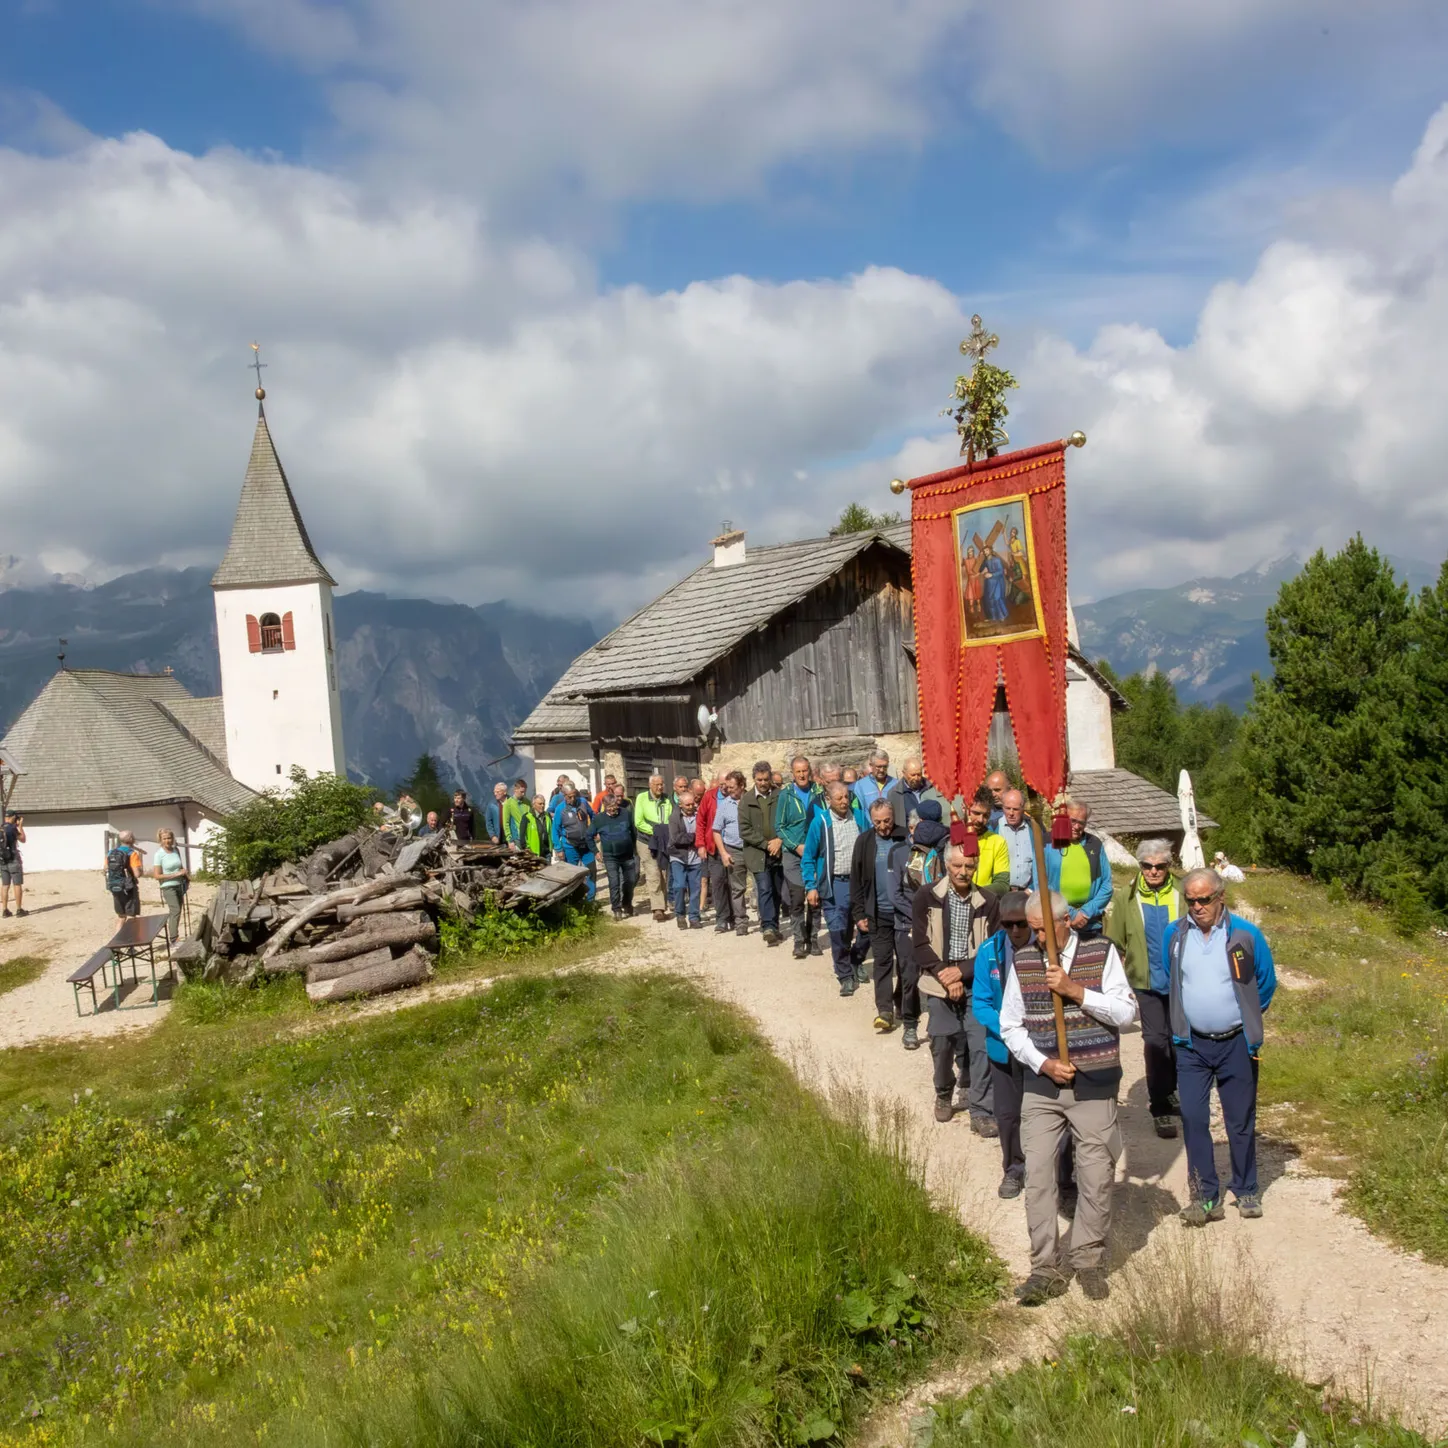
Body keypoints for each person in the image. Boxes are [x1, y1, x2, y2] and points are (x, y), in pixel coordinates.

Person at [1000, 889, 1138, 1305]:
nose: (1038, 939)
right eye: (1032, 931)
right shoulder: (1024, 961)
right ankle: (1044, 1267)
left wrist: (1076, 991)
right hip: (1043, 1088)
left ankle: (1088, 1260)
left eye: (1043, 930)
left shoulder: (1100, 952)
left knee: (1095, 1175)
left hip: (1094, 1083)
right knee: (1038, 1177)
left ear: (1064, 921)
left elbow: (1127, 1012)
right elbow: (1011, 1026)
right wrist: (1042, 1063)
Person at [1166, 867, 1277, 1226]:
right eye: (1191, 900)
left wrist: (1245, 1015)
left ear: (1221, 897)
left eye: (1204, 899)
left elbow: (1266, 982)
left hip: (1235, 1043)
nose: (1197, 906)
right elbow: (1169, 980)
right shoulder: (1175, 934)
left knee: (1239, 1120)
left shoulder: (1245, 934)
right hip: (1191, 1045)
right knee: (1195, 1119)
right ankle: (1205, 1197)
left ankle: (1246, 1189)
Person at [913, 839, 1001, 1126]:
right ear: (946, 865)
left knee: (980, 1047)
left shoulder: (988, 901)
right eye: (957, 865)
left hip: (977, 983)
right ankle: (943, 1090)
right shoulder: (927, 896)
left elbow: (993, 949)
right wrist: (945, 974)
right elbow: (920, 944)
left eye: (969, 866)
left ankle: (982, 1110)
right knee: (941, 1044)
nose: (963, 871)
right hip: (938, 982)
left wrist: (961, 972)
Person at [1105, 839, 1183, 1139]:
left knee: (1179, 1041)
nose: (1153, 871)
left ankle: (1171, 1089)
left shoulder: (1182, 893)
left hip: (1180, 983)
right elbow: (1115, 944)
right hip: (1144, 982)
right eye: (1147, 866)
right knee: (1154, 1042)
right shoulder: (1127, 897)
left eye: (1160, 866)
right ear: (1140, 866)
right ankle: (1160, 1107)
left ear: (1168, 866)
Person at [972, 892, 1035, 1197]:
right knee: (1007, 1114)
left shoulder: (1046, 947)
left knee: (1048, 1113)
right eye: (1008, 925)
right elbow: (981, 1002)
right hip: (1003, 1048)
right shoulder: (989, 951)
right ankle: (1013, 1168)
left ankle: (1062, 1176)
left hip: (1039, 1048)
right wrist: (1007, 1031)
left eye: (1021, 924)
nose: (1014, 931)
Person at [850, 798, 915, 1037]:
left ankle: (901, 999)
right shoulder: (864, 841)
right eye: (877, 822)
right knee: (883, 962)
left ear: (893, 817)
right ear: (871, 820)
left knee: (907, 965)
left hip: (904, 915)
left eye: (887, 820)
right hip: (877, 914)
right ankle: (885, 1011)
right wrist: (858, 914)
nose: (883, 826)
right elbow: (856, 880)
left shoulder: (905, 838)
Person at [803, 783, 865, 996]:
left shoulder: (859, 817)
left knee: (861, 930)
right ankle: (845, 975)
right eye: (838, 798)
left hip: (858, 885)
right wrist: (811, 886)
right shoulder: (820, 822)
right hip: (834, 885)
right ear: (828, 799)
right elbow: (808, 857)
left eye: (846, 797)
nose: (844, 801)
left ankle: (856, 960)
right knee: (838, 931)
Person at [775, 756, 824, 959]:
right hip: (793, 854)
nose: (802, 775)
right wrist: (796, 846)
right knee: (796, 897)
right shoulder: (786, 795)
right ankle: (798, 939)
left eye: (805, 771)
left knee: (815, 896)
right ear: (792, 773)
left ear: (810, 771)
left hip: (815, 852)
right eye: (798, 772)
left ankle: (812, 939)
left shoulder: (819, 792)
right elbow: (780, 826)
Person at [1045, 801, 1112, 938]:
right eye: (1072, 821)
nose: (1076, 826)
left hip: (1091, 923)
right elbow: (1040, 884)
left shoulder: (1095, 844)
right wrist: (1070, 913)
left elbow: (1107, 884)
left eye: (1081, 823)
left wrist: (1086, 912)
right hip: (1058, 921)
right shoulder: (1047, 842)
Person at [738, 761, 782, 944]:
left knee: (778, 891)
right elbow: (745, 830)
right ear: (754, 779)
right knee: (764, 889)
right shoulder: (746, 801)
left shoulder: (781, 796)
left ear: (770, 777)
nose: (763, 783)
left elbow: (787, 820)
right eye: (759, 780)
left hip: (779, 852)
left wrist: (779, 840)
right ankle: (768, 927)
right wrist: (766, 844)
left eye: (765, 779)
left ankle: (775, 925)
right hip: (757, 853)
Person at [709, 772, 749, 935]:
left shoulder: (751, 800)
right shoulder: (724, 804)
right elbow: (716, 830)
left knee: (761, 886)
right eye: (727, 787)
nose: (729, 790)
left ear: (742, 786)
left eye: (732, 787)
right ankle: (740, 922)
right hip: (733, 849)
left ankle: (765, 921)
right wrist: (723, 853)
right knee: (737, 888)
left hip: (753, 849)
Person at [589, 791, 638, 919]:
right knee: (614, 882)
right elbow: (588, 836)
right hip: (610, 857)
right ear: (604, 806)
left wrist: (634, 847)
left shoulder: (625, 814)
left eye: (614, 806)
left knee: (630, 881)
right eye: (609, 807)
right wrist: (596, 852)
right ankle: (616, 909)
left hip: (627, 855)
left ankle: (627, 904)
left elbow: (633, 831)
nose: (613, 809)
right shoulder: (599, 819)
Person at [632, 775, 674, 921]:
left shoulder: (667, 799)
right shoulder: (642, 798)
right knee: (653, 872)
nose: (660, 787)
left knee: (664, 872)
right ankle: (658, 908)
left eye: (662, 784)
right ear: (650, 785)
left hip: (664, 840)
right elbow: (638, 821)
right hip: (646, 840)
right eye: (657, 785)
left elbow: (671, 817)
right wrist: (656, 831)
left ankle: (665, 902)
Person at [667, 789, 704, 928]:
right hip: (678, 856)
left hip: (695, 858)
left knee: (695, 888)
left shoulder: (699, 814)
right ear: (680, 805)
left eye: (692, 804)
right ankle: (680, 914)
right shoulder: (674, 817)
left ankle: (694, 917)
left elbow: (704, 832)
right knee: (680, 885)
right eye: (687, 805)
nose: (690, 807)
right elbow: (676, 838)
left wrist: (693, 838)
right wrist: (695, 837)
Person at [551, 783, 596, 898]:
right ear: (564, 796)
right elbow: (555, 830)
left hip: (586, 845)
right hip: (570, 846)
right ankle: (575, 901)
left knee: (591, 872)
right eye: (569, 797)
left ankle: (591, 901)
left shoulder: (583, 802)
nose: (572, 799)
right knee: (572, 875)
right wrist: (558, 848)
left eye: (574, 796)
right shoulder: (560, 809)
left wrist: (595, 830)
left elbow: (593, 815)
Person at [966, 789, 1011, 892]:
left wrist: (975, 895)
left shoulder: (998, 842)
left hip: (986, 904)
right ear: (964, 808)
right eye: (976, 813)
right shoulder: (952, 839)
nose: (981, 820)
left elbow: (1002, 884)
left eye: (986, 815)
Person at [885, 757, 943, 833]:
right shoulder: (894, 794)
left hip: (933, 833)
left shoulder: (930, 787)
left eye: (919, 774)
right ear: (904, 773)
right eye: (913, 775)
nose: (916, 778)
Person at [152, 828, 189, 941]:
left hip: (180, 884)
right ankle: (173, 938)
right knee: (175, 910)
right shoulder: (159, 854)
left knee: (179, 910)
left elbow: (180, 866)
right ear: (160, 840)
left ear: (172, 839)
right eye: (165, 838)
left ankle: (175, 935)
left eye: (169, 838)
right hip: (168, 886)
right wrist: (176, 874)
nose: (167, 841)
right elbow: (157, 875)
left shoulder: (175, 850)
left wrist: (186, 877)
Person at [996, 789, 1035, 889]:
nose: (1011, 813)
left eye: (1016, 809)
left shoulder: (1033, 830)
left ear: (1023, 808)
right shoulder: (994, 828)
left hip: (1026, 894)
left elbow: (1040, 863)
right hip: (1002, 894)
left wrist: (1031, 890)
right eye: (1007, 808)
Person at [105, 831, 143, 921]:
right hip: (129, 888)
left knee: (121, 917)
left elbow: (105, 869)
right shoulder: (132, 853)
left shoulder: (111, 853)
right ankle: (131, 935)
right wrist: (141, 870)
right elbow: (137, 874)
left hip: (115, 886)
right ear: (131, 839)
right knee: (131, 917)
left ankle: (118, 935)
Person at [1, 810, 26, 917]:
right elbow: (23, 839)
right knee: (17, 884)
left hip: (2, 861)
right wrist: (20, 826)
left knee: (5, 885)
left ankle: (5, 910)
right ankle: (19, 909)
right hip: (13, 860)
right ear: (12, 817)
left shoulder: (1, 828)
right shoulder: (12, 828)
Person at [502, 779, 531, 850]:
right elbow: (506, 823)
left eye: (525, 792)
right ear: (515, 790)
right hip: (516, 839)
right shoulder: (508, 804)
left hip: (528, 837)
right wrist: (510, 840)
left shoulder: (528, 802)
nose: (523, 794)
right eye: (522, 792)